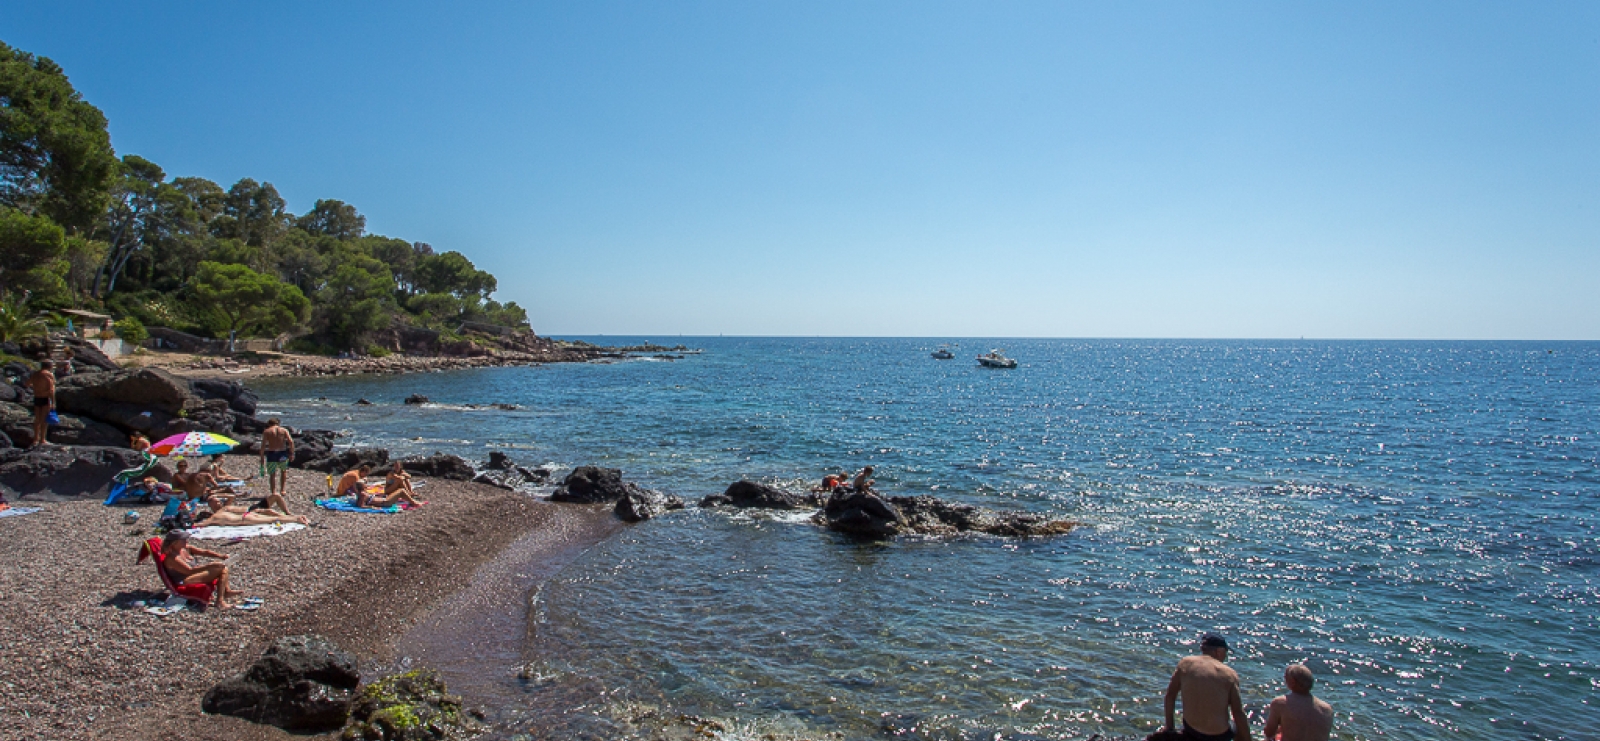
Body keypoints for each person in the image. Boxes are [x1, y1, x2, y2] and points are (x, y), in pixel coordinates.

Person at [1164, 633, 1252, 741]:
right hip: (1218, 735)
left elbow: (1170, 696)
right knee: (1238, 729)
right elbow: (1238, 712)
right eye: (1226, 653)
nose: (1225, 656)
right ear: (1218, 651)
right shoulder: (1229, 674)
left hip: (1191, 730)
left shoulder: (1185, 664)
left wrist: (1170, 728)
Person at [159, 530, 244, 609]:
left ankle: (226, 592)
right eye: (184, 539)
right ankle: (220, 601)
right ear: (175, 543)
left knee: (222, 567)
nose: (187, 540)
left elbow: (204, 552)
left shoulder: (185, 548)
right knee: (220, 569)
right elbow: (189, 570)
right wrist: (210, 565)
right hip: (184, 580)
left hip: (192, 575)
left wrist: (221, 556)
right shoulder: (172, 558)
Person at [1262, 665, 1333, 741]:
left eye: (1285, 677)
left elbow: (1269, 733)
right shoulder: (1327, 709)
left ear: (1292, 682)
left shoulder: (1281, 703)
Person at [260, 418, 293, 499]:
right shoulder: (284, 430)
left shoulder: (267, 431)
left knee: (272, 474)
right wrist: (291, 453)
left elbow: (263, 445)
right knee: (283, 471)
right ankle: (282, 490)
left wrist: (261, 457)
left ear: (269, 424)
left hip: (272, 453)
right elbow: (290, 441)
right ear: (278, 423)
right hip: (282, 453)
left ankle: (273, 492)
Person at [193, 507, 309, 528]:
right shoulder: (221, 511)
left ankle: (296, 519)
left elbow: (201, 524)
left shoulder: (214, 518)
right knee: (271, 517)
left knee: (272, 520)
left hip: (244, 520)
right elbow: (231, 507)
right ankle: (296, 516)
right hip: (247, 514)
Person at [28, 359, 55, 448]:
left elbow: (27, 383)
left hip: (37, 397)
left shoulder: (35, 374)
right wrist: (53, 402)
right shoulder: (48, 375)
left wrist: (36, 387)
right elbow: (51, 389)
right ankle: (42, 439)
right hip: (45, 398)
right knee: (44, 420)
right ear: (49, 366)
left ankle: (35, 439)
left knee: (37, 419)